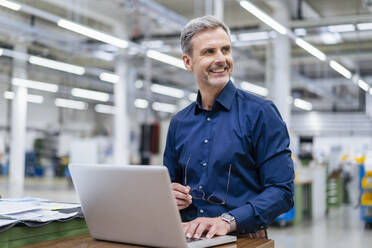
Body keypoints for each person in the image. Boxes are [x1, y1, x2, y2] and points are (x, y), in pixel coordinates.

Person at [163, 15, 294, 240]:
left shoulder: (261, 113)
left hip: (243, 239)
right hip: (188, 238)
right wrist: (169, 195)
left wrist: (228, 220)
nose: (221, 59)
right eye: (209, 52)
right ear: (188, 61)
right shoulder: (179, 123)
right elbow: (166, 186)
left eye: (226, 49)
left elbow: (282, 192)